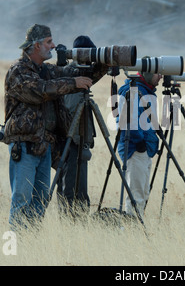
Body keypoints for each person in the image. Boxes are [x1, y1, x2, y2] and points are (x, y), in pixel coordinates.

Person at [3, 24, 93, 230]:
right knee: (22, 198)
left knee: (40, 201)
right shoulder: (18, 71)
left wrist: (103, 64)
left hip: (44, 146)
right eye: (48, 42)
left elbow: (71, 74)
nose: (53, 46)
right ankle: (17, 243)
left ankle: (32, 244)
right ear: (35, 45)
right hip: (25, 145)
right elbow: (40, 90)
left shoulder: (46, 70)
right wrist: (73, 83)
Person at [57, 35, 107, 217]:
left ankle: (80, 218)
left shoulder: (83, 73)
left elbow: (100, 70)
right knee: (69, 186)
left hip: (80, 139)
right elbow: (69, 107)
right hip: (69, 139)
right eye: (88, 54)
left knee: (80, 186)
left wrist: (109, 58)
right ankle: (70, 220)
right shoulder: (67, 73)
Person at [116, 69, 162, 220]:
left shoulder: (143, 90)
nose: (161, 76)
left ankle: (135, 226)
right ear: (148, 74)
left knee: (142, 193)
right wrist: (139, 142)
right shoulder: (133, 91)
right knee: (136, 195)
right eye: (158, 73)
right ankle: (131, 229)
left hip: (144, 149)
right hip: (135, 150)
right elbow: (129, 120)